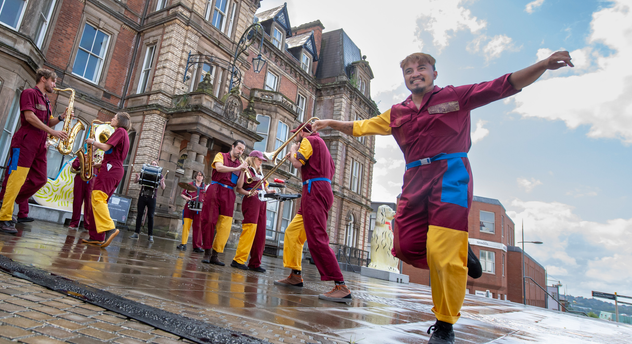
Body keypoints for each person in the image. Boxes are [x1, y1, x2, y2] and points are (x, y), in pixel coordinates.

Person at [313, 51, 574, 344]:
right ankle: (461, 251)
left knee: (444, 254)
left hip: (451, 175)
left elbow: (503, 84)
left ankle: (445, 323)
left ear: (434, 73)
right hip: (414, 179)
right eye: (409, 71)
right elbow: (360, 127)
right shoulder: (397, 112)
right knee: (407, 248)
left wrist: (542, 65)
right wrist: (329, 123)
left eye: (421, 68)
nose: (415, 73)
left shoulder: (455, 97)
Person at [274, 122, 352, 303]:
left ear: (303, 132)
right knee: (293, 232)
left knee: (317, 238)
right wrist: (295, 155)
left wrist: (294, 150)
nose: (296, 138)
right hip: (318, 189)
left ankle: (341, 285)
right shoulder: (322, 147)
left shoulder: (309, 140)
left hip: (313, 191)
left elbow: (296, 162)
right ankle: (295, 275)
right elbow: (311, 167)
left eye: (297, 135)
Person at [0, 68, 69, 234]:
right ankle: (4, 218)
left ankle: (7, 201)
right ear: (43, 79)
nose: (54, 85)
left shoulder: (46, 101)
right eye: (53, 81)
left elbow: (48, 121)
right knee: (16, 180)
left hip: (39, 145)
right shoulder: (29, 93)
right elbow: (29, 117)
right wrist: (53, 132)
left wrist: (60, 118)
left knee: (41, 179)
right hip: (24, 143)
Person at [81, 112, 131, 248]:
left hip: (111, 169)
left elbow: (106, 147)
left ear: (120, 121)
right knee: (99, 201)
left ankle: (110, 228)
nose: (112, 119)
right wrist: (100, 164)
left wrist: (92, 142)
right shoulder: (123, 133)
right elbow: (113, 153)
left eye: (114, 118)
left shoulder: (120, 131)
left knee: (97, 197)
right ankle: (96, 236)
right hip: (112, 168)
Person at [201, 140, 248, 265]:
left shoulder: (240, 164)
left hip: (229, 193)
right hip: (215, 189)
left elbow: (239, 186)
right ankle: (207, 252)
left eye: (242, 150)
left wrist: (243, 171)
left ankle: (215, 254)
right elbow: (219, 167)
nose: (240, 152)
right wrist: (237, 167)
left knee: (225, 226)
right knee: (210, 220)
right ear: (233, 147)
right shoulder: (221, 155)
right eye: (239, 148)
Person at [231, 150, 273, 272]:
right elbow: (239, 188)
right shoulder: (247, 170)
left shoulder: (261, 173)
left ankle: (255, 263)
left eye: (261, 160)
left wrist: (270, 191)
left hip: (262, 201)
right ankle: (238, 259)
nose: (261, 162)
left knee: (260, 233)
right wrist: (248, 191)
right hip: (251, 200)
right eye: (259, 159)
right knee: (249, 229)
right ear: (253, 158)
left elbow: (266, 187)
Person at [131, 160, 166, 242]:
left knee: (150, 216)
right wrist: (137, 177)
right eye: (152, 164)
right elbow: (135, 181)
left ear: (157, 166)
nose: (153, 165)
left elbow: (163, 187)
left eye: (155, 164)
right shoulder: (145, 172)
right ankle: (136, 233)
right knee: (139, 214)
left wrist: (162, 182)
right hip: (143, 196)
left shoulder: (159, 175)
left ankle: (150, 235)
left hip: (152, 197)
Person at [177, 170, 206, 252]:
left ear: (203, 177)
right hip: (189, 208)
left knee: (198, 227)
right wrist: (186, 198)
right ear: (195, 176)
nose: (199, 176)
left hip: (200, 210)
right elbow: (182, 194)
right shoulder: (189, 185)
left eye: (201, 175)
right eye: (198, 175)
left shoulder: (205, 187)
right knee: (186, 226)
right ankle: (183, 244)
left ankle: (197, 246)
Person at [68, 157, 95, 229]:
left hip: (91, 180)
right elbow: (75, 166)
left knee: (89, 203)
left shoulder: (98, 157)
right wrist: (82, 159)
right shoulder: (82, 155)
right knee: (77, 201)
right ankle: (74, 223)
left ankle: (88, 224)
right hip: (80, 178)